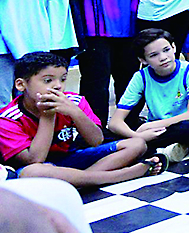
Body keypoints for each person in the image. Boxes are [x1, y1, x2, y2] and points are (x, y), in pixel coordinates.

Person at [1, 52, 165, 186]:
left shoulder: (74, 102)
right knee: (32, 173)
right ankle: (120, 175)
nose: (58, 86)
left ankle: (82, 180)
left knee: (136, 144)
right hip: (42, 169)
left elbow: (96, 140)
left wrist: (75, 112)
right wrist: (47, 116)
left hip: (72, 159)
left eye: (63, 79)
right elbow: (34, 160)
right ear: (21, 85)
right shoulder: (8, 119)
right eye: (48, 80)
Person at [108, 29, 189, 161]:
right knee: (108, 134)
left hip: (182, 125)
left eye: (166, 50)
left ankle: (144, 149)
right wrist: (137, 136)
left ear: (174, 47)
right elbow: (115, 122)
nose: (163, 57)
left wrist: (149, 127)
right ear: (143, 59)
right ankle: (162, 148)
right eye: (153, 55)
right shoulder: (141, 77)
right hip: (153, 130)